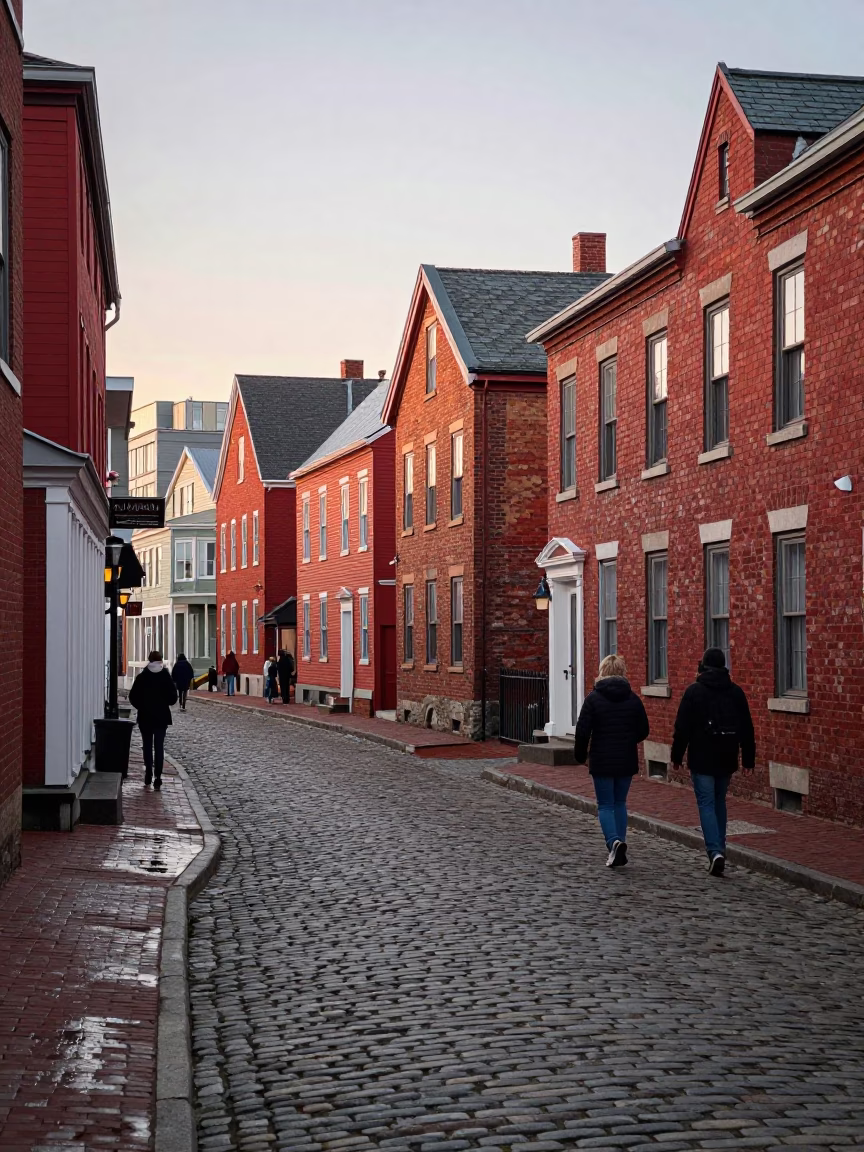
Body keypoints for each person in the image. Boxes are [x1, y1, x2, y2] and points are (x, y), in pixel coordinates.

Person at [671, 647, 755, 876]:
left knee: (706, 803)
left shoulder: (694, 692)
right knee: (719, 801)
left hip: (702, 756)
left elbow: (682, 728)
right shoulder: (735, 692)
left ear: (703, 665)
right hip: (727, 755)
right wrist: (748, 759)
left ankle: (715, 850)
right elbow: (747, 728)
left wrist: (676, 756)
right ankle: (720, 847)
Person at [574, 654, 650, 868]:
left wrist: (581, 755)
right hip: (626, 758)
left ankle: (613, 842)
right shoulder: (633, 699)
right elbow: (644, 730)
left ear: (602, 672)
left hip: (602, 758)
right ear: (622, 671)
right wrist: (627, 740)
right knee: (620, 803)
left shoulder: (593, 698)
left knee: (605, 804)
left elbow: (582, 731)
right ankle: (620, 842)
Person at [128, 649, 178, 789]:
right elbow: (173, 698)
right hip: (161, 717)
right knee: (159, 746)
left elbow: (133, 696)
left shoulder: (142, 676)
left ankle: (148, 773)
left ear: (149, 660)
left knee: (147, 746)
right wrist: (164, 702)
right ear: (161, 660)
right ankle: (158, 777)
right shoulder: (165, 676)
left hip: (145, 716)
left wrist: (141, 706)